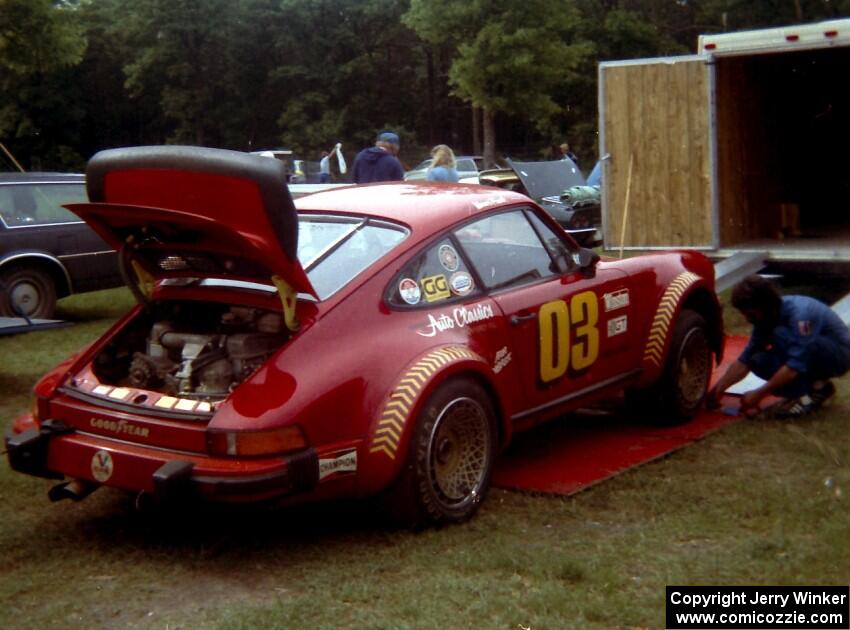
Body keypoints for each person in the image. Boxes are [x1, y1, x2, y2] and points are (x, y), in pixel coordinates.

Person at [708, 275, 850, 418]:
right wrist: (718, 390)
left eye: (750, 314)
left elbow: (794, 365)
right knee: (758, 360)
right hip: (808, 354)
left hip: (839, 356)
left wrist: (758, 395)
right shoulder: (766, 318)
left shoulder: (801, 316)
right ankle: (813, 391)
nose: (748, 319)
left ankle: (811, 391)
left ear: (764, 305)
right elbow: (745, 359)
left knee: (780, 335)